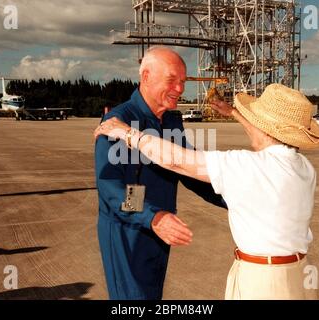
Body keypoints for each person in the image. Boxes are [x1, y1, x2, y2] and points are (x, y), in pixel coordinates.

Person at [95, 83, 319, 300]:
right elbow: (112, 189)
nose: (178, 87)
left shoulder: (247, 166)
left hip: (264, 281)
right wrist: (235, 114)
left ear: (265, 129)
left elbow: (176, 161)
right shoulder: (305, 168)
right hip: (302, 276)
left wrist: (127, 133)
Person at [94, 46, 225, 300]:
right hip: (127, 230)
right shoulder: (117, 122)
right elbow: (111, 187)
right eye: (172, 80)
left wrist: (233, 197)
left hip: (161, 226)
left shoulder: (171, 121)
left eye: (183, 82)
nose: (180, 89)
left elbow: (190, 170)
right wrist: (152, 217)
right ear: (146, 77)